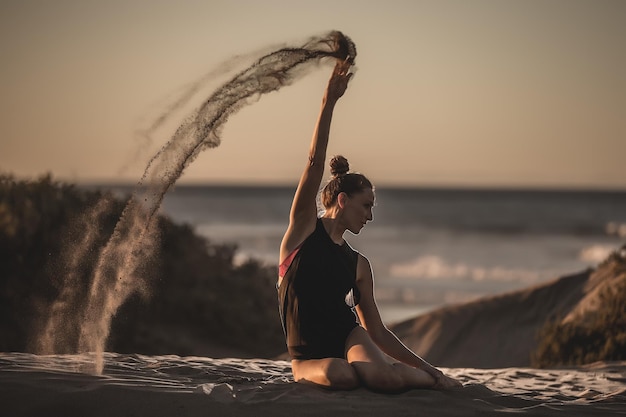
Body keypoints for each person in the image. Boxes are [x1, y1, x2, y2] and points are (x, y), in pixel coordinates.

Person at [277, 59, 462, 392]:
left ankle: (430, 381)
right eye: (366, 206)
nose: (370, 216)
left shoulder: (358, 264)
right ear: (342, 201)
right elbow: (313, 162)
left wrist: (430, 368)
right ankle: (375, 373)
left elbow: (376, 331)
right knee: (339, 375)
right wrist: (328, 101)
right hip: (307, 355)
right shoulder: (303, 230)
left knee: (383, 378)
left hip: (348, 335)